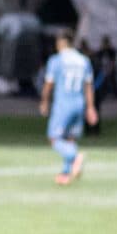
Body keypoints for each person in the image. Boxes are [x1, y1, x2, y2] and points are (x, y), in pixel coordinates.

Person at [38, 32, 96, 185]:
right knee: (70, 139)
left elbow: (49, 83)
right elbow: (88, 86)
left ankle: (75, 156)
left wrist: (44, 101)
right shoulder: (84, 60)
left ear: (61, 43)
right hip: (79, 103)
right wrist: (90, 107)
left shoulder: (56, 60)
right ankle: (65, 173)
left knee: (54, 138)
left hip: (64, 104)